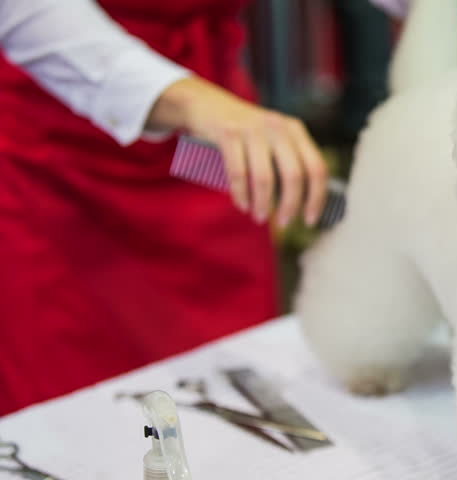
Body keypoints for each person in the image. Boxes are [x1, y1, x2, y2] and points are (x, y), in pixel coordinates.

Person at [0, 0, 328, 415]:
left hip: (217, 150)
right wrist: (189, 101)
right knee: (84, 419)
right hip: (57, 152)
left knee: (240, 393)